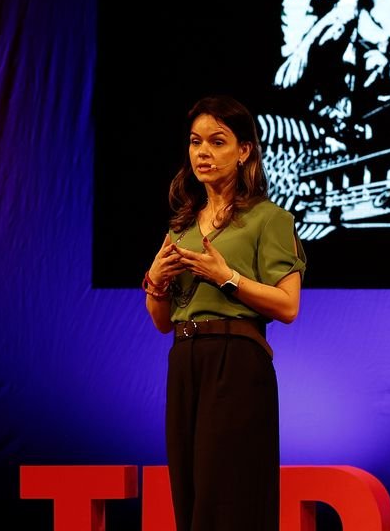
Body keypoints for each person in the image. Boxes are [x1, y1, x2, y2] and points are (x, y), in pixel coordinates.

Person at [142, 95, 306, 531]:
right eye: (195, 142)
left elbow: (288, 306)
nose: (203, 152)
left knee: (228, 494)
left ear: (244, 150)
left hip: (235, 361)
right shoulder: (181, 226)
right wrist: (155, 279)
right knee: (190, 492)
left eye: (217, 142)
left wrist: (227, 277)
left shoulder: (268, 219)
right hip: (185, 360)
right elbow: (162, 321)